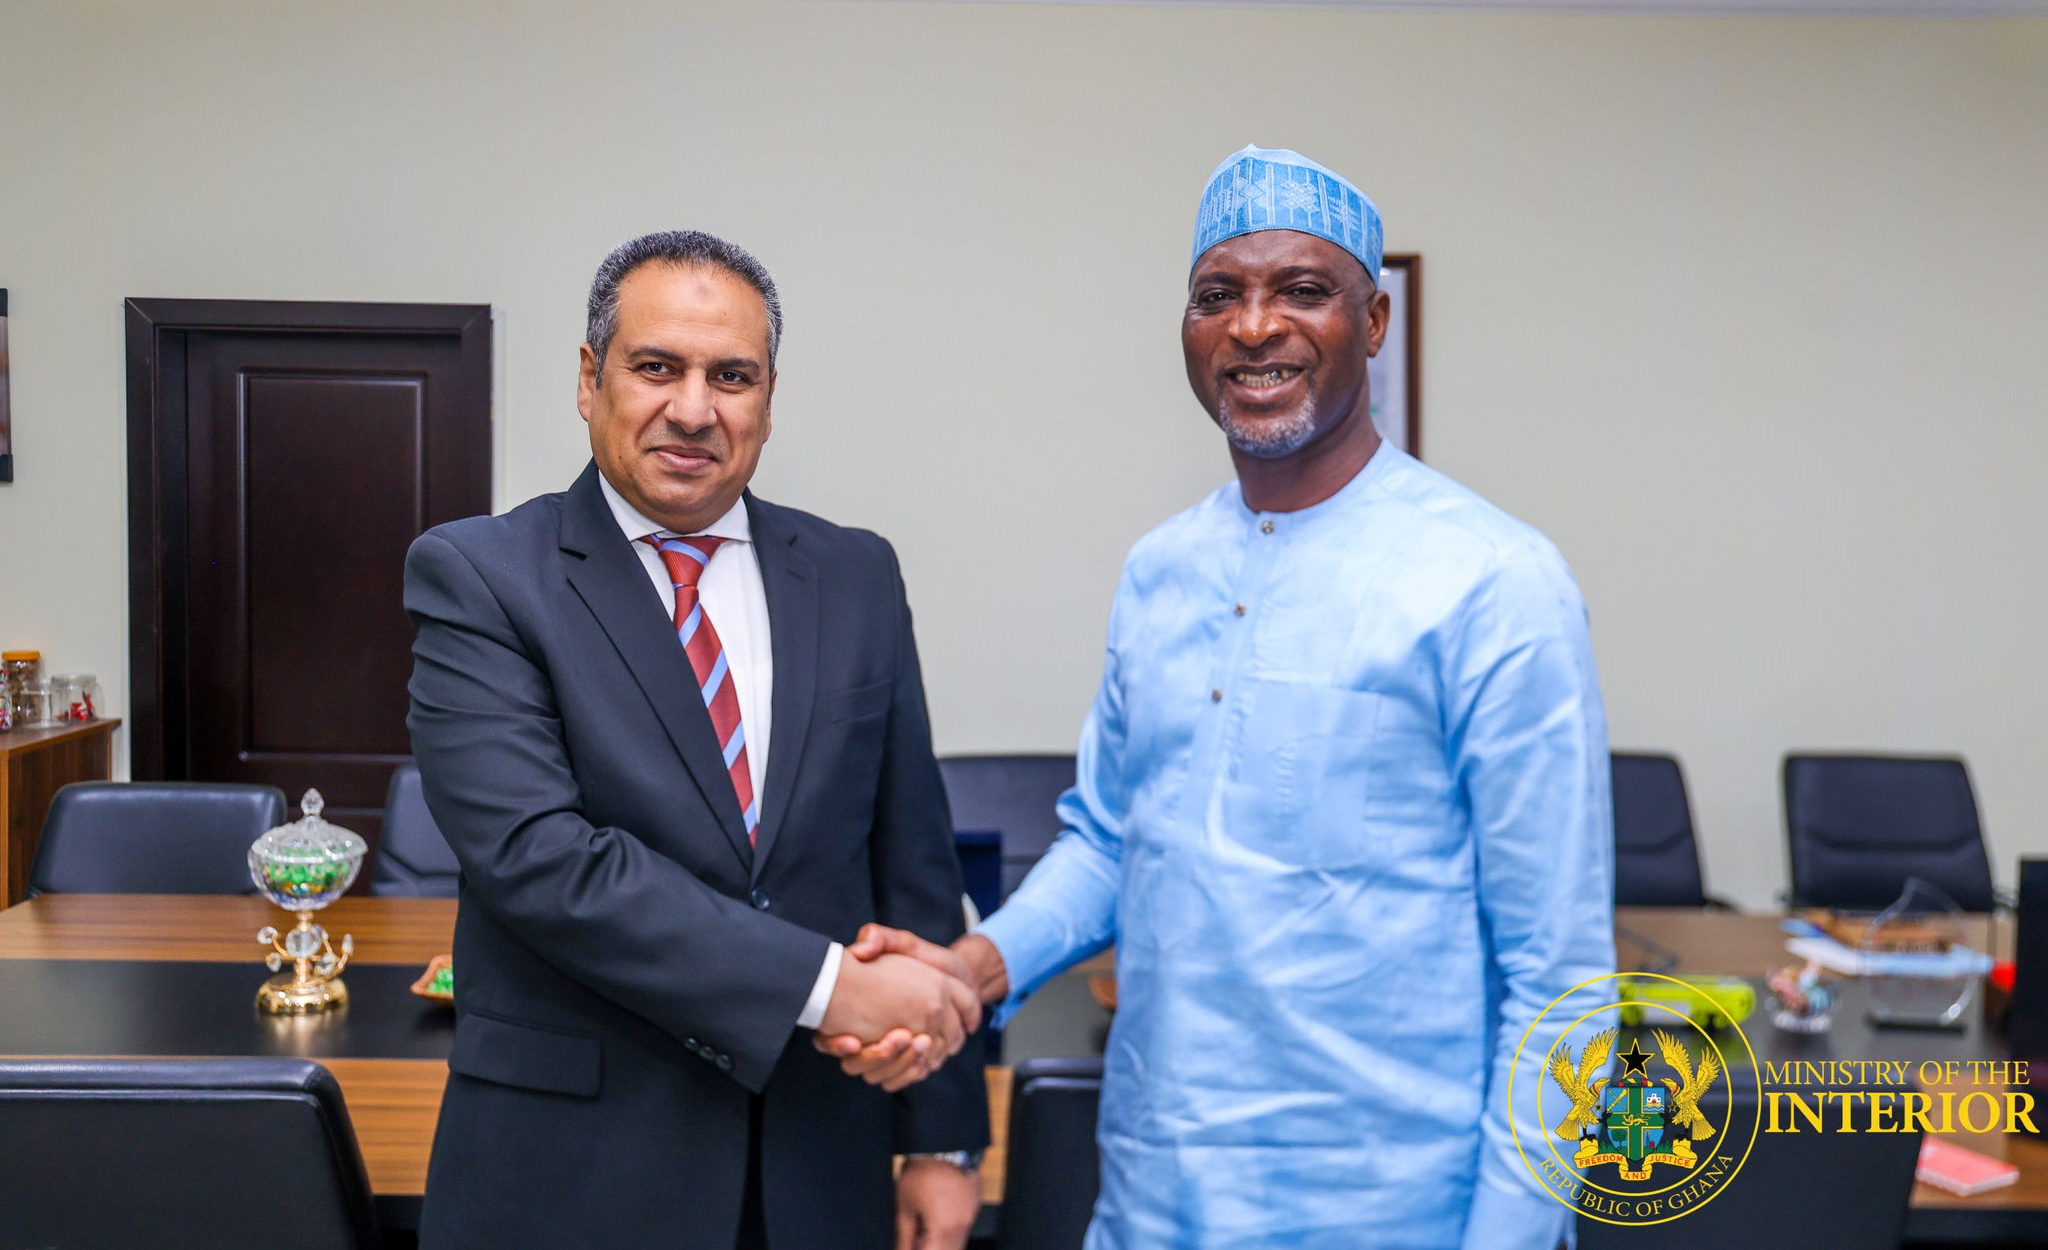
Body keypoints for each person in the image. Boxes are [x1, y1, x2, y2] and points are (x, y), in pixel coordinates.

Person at [825, 148, 1617, 1247]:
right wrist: (974, 968)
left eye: (1302, 289)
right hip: (1152, 1201)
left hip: (1390, 1214)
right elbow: (1113, 840)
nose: (1253, 326)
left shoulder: (1493, 582)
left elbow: (1560, 981)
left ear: (1373, 321)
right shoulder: (1161, 569)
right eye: (1216, 295)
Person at [406, 230, 988, 1250]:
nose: (692, 409)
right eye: (655, 367)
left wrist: (942, 1139)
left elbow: (912, 863)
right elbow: (541, 860)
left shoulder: (855, 573)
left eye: (731, 376)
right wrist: (831, 988)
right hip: (572, 1175)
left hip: (820, 1164)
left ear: (768, 396)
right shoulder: (481, 577)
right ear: (589, 379)